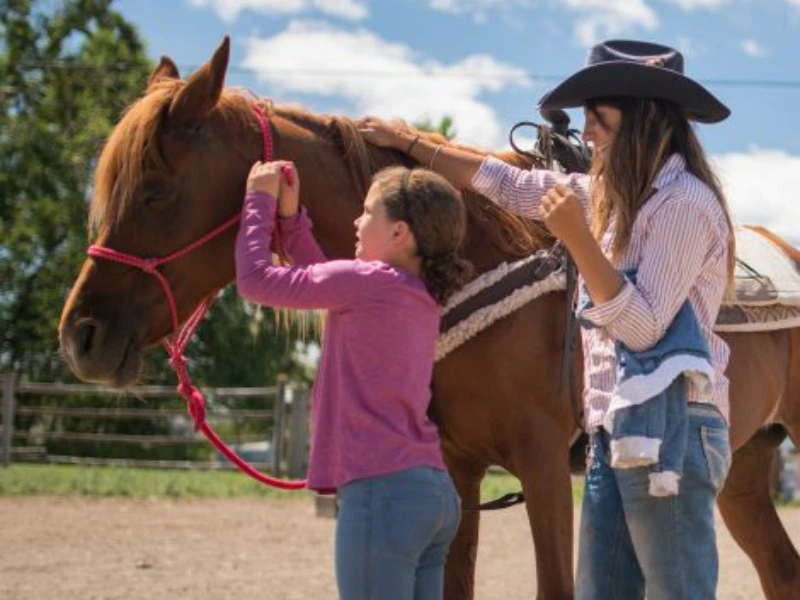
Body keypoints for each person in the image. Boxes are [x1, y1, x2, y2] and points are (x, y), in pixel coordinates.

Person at [358, 39, 735, 599]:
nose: (585, 133)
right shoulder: (610, 197)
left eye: (597, 118)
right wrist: (412, 143)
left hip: (675, 431)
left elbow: (645, 326)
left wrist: (578, 241)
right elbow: (507, 184)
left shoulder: (682, 205)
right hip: (615, 431)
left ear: (640, 118)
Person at [234, 160, 471, 600]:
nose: (356, 222)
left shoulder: (364, 283)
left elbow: (254, 280)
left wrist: (259, 199)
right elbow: (327, 287)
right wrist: (291, 222)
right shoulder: (417, 295)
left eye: (367, 212)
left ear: (399, 233)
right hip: (432, 495)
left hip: (383, 494)